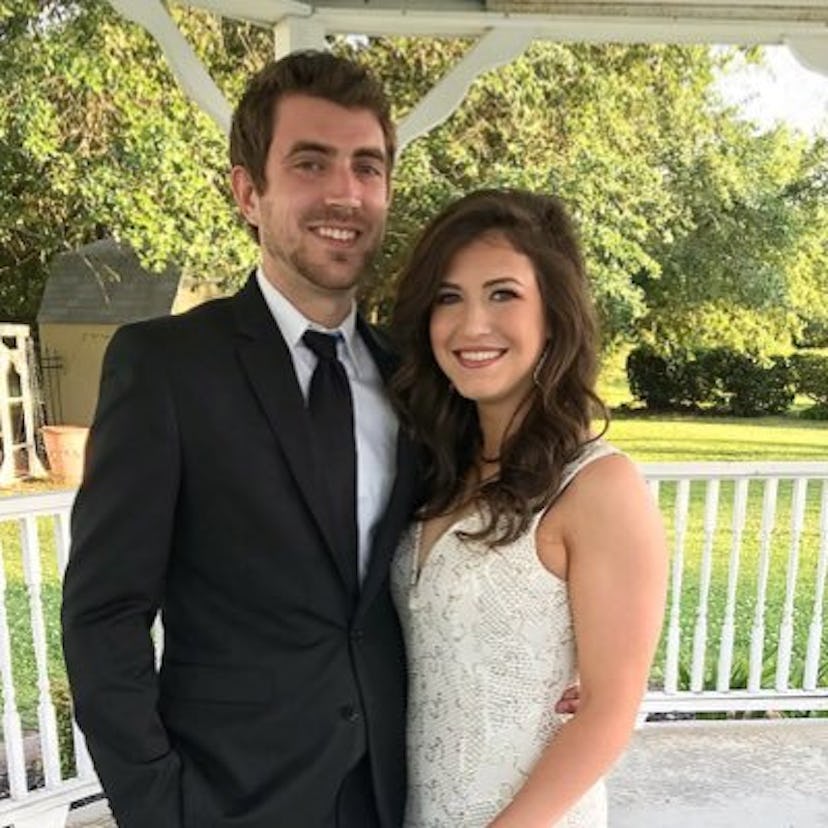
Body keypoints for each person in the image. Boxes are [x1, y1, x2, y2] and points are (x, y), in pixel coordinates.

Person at [60, 51, 423, 828]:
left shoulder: (415, 380)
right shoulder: (163, 369)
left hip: (394, 798)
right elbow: (103, 615)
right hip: (229, 801)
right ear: (247, 191)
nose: (345, 193)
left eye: (368, 166)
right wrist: (160, 806)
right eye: (310, 163)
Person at [390, 189, 668, 827]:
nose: (471, 326)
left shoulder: (600, 488)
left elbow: (609, 708)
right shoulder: (436, 473)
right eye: (448, 297)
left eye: (503, 294)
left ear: (554, 314)